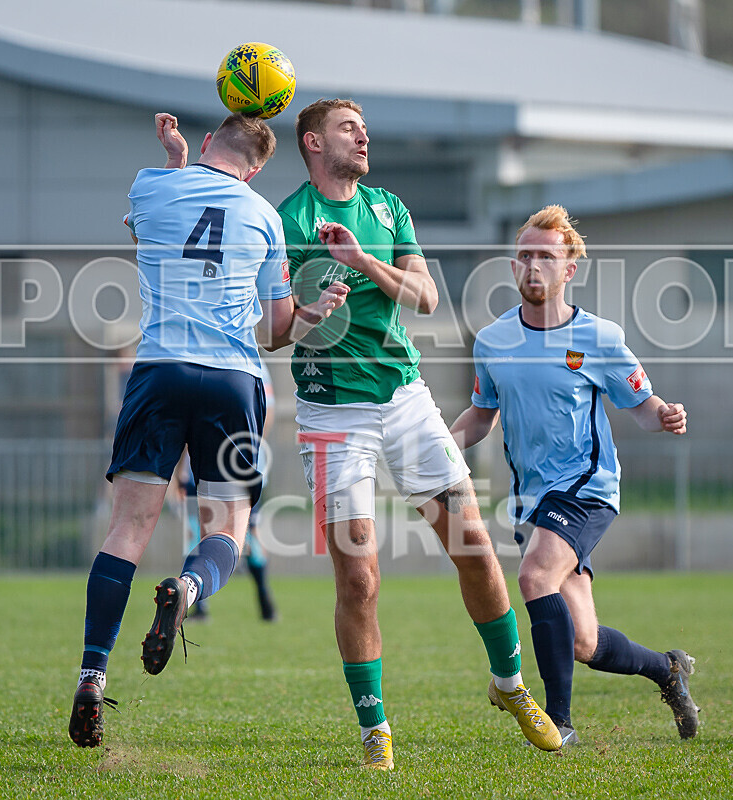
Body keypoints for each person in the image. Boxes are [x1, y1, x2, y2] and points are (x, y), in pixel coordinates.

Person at [156, 100, 562, 769]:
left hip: (406, 401)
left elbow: (427, 298)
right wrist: (308, 315)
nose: (364, 135)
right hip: (330, 419)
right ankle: (376, 731)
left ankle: (511, 687)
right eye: (349, 128)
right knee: (359, 580)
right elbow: (270, 331)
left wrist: (363, 264)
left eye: (363, 126)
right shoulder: (284, 220)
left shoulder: (386, 207)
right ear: (314, 142)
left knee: (474, 547)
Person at [68, 113, 348, 749]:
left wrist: (171, 162)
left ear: (201, 145)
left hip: (159, 369)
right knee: (227, 530)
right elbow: (275, 332)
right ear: (255, 169)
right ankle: (189, 588)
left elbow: (158, 222)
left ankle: (91, 676)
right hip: (230, 378)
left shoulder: (151, 184)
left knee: (129, 527)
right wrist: (313, 311)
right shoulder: (265, 217)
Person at [450, 205, 700, 745]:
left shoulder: (599, 336)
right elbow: (481, 414)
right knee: (583, 641)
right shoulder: (493, 341)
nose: (532, 265)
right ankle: (668, 670)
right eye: (523, 256)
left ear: (570, 269)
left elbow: (641, 403)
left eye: (545, 256)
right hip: (532, 502)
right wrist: (440, 447)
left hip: (588, 489)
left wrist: (664, 415)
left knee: (535, 578)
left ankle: (558, 725)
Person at [176, 360, 278, 622]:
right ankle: (199, 602)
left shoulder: (249, 362)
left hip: (235, 465)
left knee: (245, 532)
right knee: (198, 530)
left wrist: (245, 449)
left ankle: (263, 595)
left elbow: (266, 414)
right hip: (211, 466)